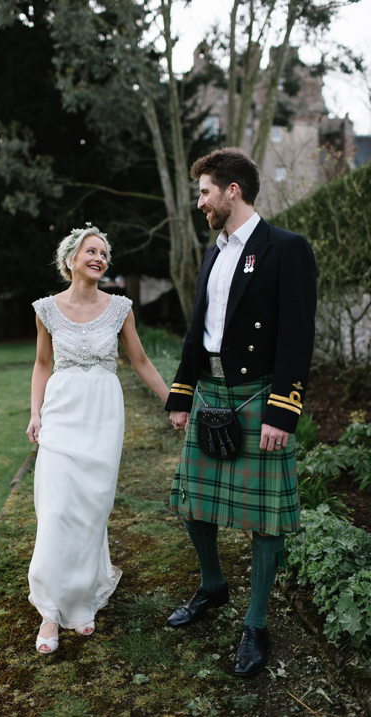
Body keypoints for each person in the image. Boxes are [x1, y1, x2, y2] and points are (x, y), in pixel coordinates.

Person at [165, 148, 316, 677]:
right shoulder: (215, 252)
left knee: (263, 519)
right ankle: (213, 586)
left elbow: (298, 336)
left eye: (205, 191)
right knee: (192, 501)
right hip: (211, 392)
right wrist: (182, 392)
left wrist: (283, 410)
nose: (199, 201)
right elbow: (198, 330)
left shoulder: (286, 249)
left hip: (259, 397)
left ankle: (256, 622)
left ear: (233, 190)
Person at [25, 224, 169, 655]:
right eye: (92, 250)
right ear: (71, 260)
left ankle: (83, 598)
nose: (100, 257)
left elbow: (140, 361)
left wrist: (173, 401)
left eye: (104, 253)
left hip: (103, 412)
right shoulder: (46, 309)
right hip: (62, 409)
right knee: (56, 508)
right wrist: (35, 412)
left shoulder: (120, 307)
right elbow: (42, 363)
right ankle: (51, 611)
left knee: (91, 507)